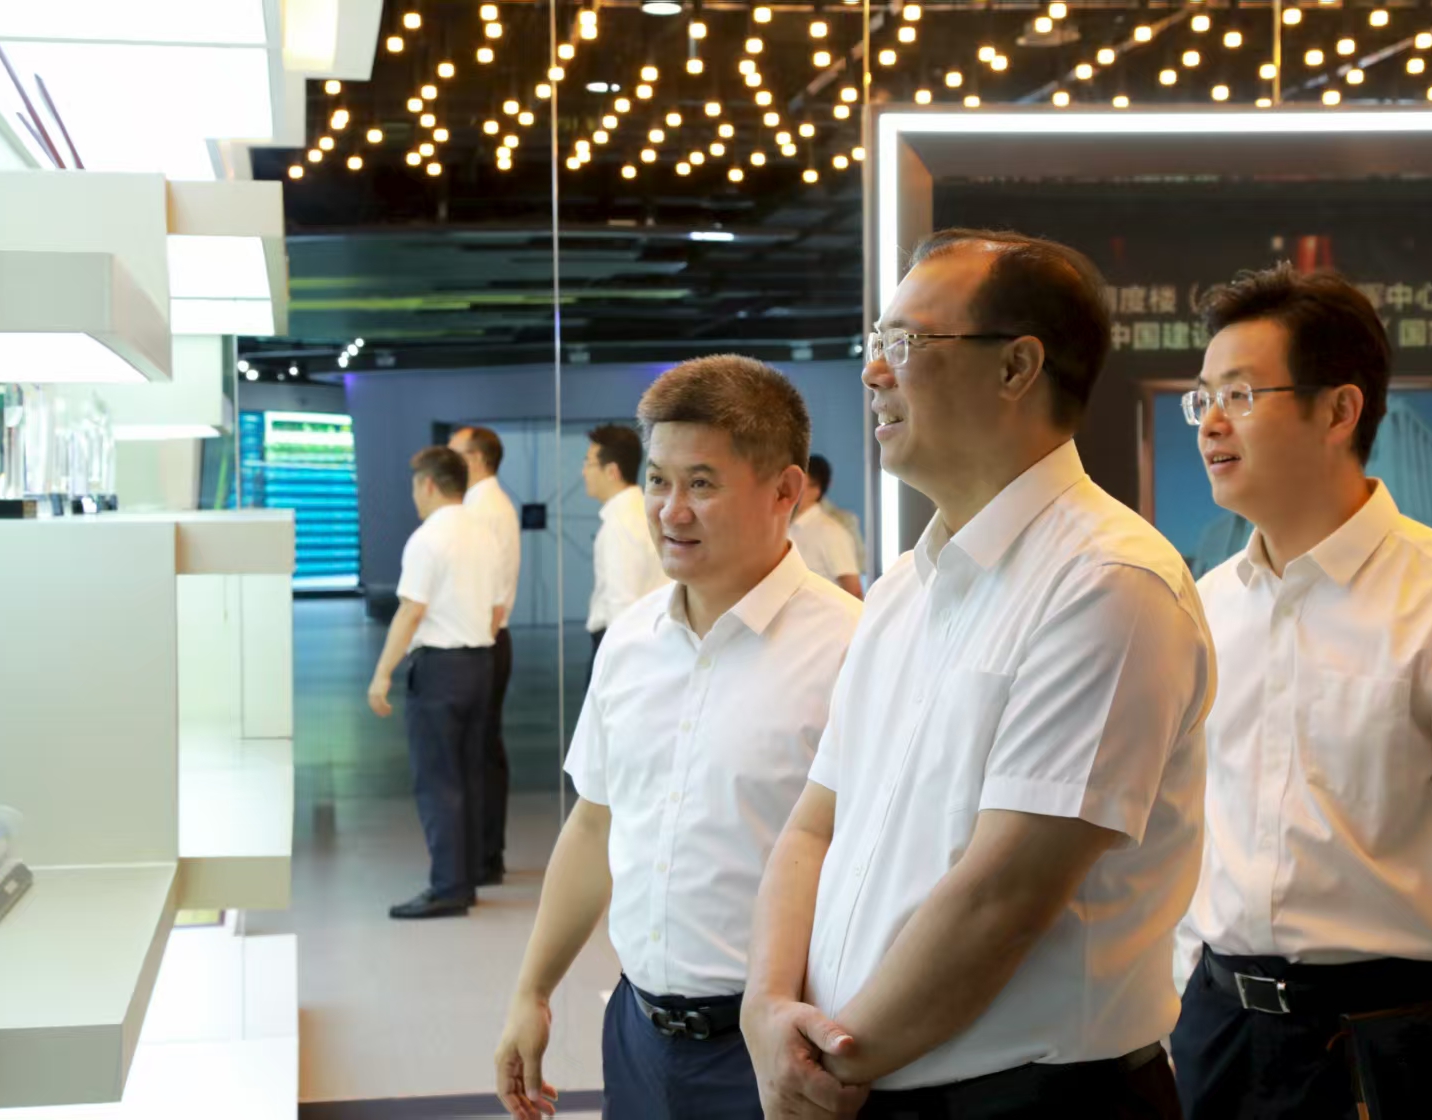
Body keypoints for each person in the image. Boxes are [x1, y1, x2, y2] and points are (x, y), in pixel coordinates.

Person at [744, 229, 1214, 1120]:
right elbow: (813, 827)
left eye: (903, 343)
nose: (873, 373)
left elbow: (1003, 898)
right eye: (875, 343)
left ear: (1016, 367)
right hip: (864, 1084)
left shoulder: (1107, 584)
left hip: (1035, 1103)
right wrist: (764, 1010)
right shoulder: (902, 592)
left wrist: (823, 1072)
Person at [494, 356, 864, 1120]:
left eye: (701, 483)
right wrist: (532, 990)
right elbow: (595, 823)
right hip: (637, 1035)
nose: (670, 510)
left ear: (785, 492)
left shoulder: (854, 650)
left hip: (776, 1048)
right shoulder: (629, 641)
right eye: (657, 481)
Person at [1169, 265, 1432, 1120]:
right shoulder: (1204, 609)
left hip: (1388, 1043)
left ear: (1341, 410)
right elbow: (1187, 836)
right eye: (1203, 398)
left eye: (1240, 394)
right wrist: (1174, 1016)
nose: (1210, 422)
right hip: (1218, 1032)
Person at [367, 446, 499, 920]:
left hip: (441, 670)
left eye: (414, 487)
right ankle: (466, 877)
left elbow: (411, 610)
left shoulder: (427, 539)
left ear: (427, 484)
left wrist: (382, 672)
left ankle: (448, 887)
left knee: (438, 781)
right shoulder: (484, 535)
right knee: (468, 775)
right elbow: (498, 607)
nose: (414, 497)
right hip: (480, 663)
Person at [449, 425, 521, 888]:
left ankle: (483, 855)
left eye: (453, 453)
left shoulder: (483, 509)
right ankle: (485, 853)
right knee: (483, 750)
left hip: (485, 639)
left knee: (478, 753)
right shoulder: (486, 504)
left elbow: (487, 590)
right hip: (489, 637)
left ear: (475, 459)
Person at [581, 422, 667, 682]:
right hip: (648, 643)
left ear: (612, 471)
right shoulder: (639, 512)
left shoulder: (621, 524)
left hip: (623, 647)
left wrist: (619, 669)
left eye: (588, 463)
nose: (583, 472)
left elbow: (623, 603)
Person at [788, 454, 864, 599]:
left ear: (816, 490)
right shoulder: (787, 528)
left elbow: (854, 591)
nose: (790, 491)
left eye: (798, 485)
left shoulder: (831, 532)